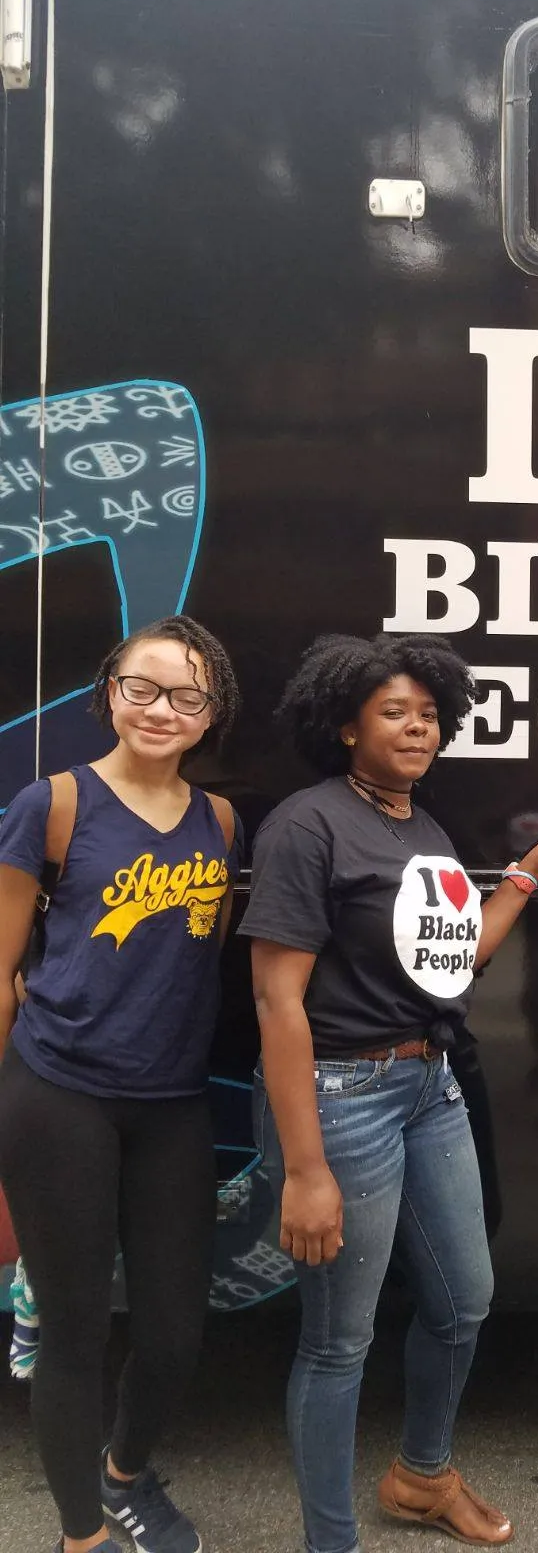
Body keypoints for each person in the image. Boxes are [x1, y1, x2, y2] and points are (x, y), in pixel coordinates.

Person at [239, 632, 538, 1553]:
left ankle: (422, 1477)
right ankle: (331, 1540)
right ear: (345, 724)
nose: (418, 728)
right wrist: (304, 1168)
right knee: (336, 1341)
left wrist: (526, 874)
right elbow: (277, 1002)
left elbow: (454, 959)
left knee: (464, 1299)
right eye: (395, 712)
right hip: (341, 1095)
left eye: (430, 714)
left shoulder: (418, 824)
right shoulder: (305, 825)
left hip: (429, 1085)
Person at [0, 616, 243, 1553]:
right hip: (56, 1093)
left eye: (186, 695)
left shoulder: (219, 821)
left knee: (177, 1332)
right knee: (72, 1333)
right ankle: (80, 1537)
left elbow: (200, 959)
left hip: (172, 1104)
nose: (160, 709)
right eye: (142, 688)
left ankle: (125, 1478)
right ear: (110, 692)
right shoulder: (52, 805)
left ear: (209, 714)